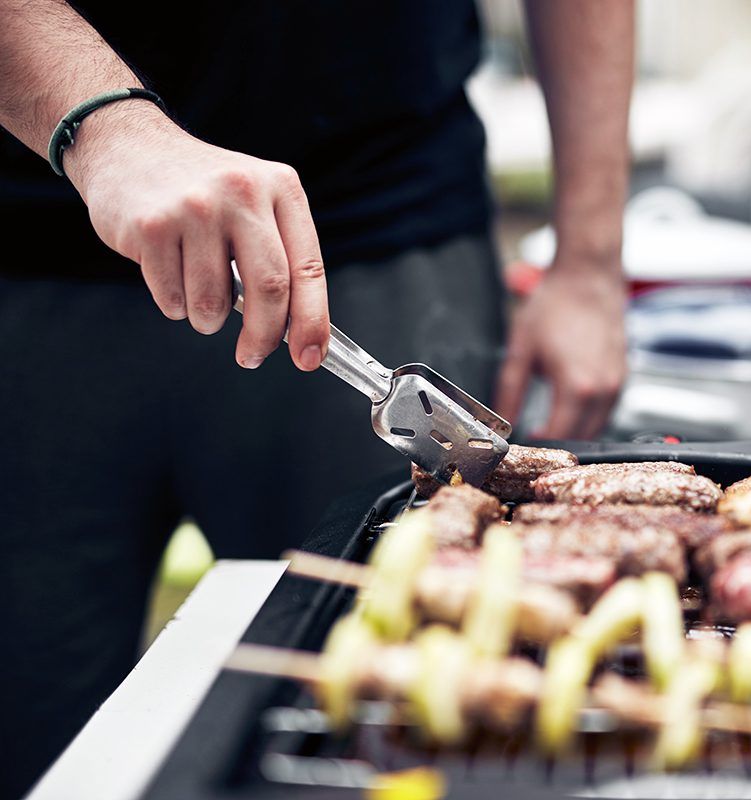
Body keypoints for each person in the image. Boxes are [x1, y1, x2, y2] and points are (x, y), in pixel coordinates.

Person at [0, 1, 632, 795]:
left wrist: (591, 260)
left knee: (404, 728)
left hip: (385, 222)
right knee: (37, 741)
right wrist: (101, 123)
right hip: (28, 254)